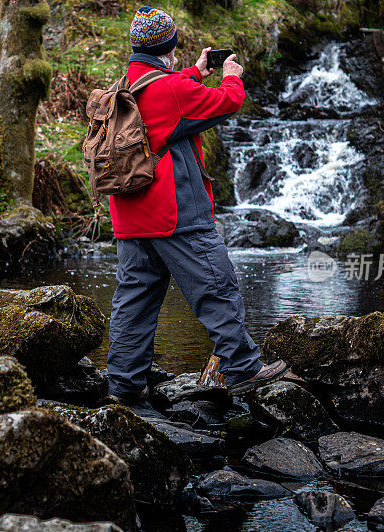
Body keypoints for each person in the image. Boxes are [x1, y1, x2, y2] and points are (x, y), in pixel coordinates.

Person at [106, 6, 288, 403]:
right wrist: (230, 77)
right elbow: (226, 102)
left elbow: (170, 95)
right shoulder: (171, 90)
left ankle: (123, 385)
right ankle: (243, 367)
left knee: (133, 302)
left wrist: (193, 71)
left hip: (131, 219)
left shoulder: (129, 83)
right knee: (216, 287)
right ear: (167, 46)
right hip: (176, 215)